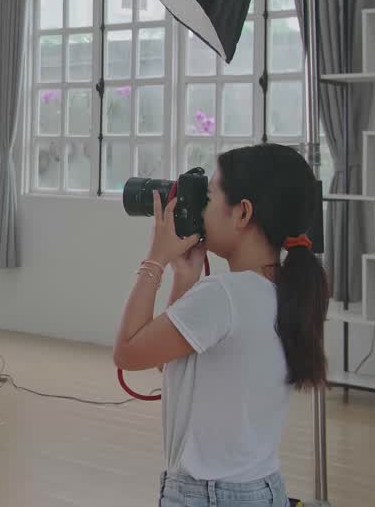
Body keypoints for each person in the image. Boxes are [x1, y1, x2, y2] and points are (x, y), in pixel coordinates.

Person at [113, 143, 330, 507]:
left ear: (242, 212)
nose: (200, 207)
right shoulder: (283, 290)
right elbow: (170, 359)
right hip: (261, 488)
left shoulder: (223, 295)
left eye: (209, 195)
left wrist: (155, 260)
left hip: (207, 495)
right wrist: (185, 276)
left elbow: (128, 352)